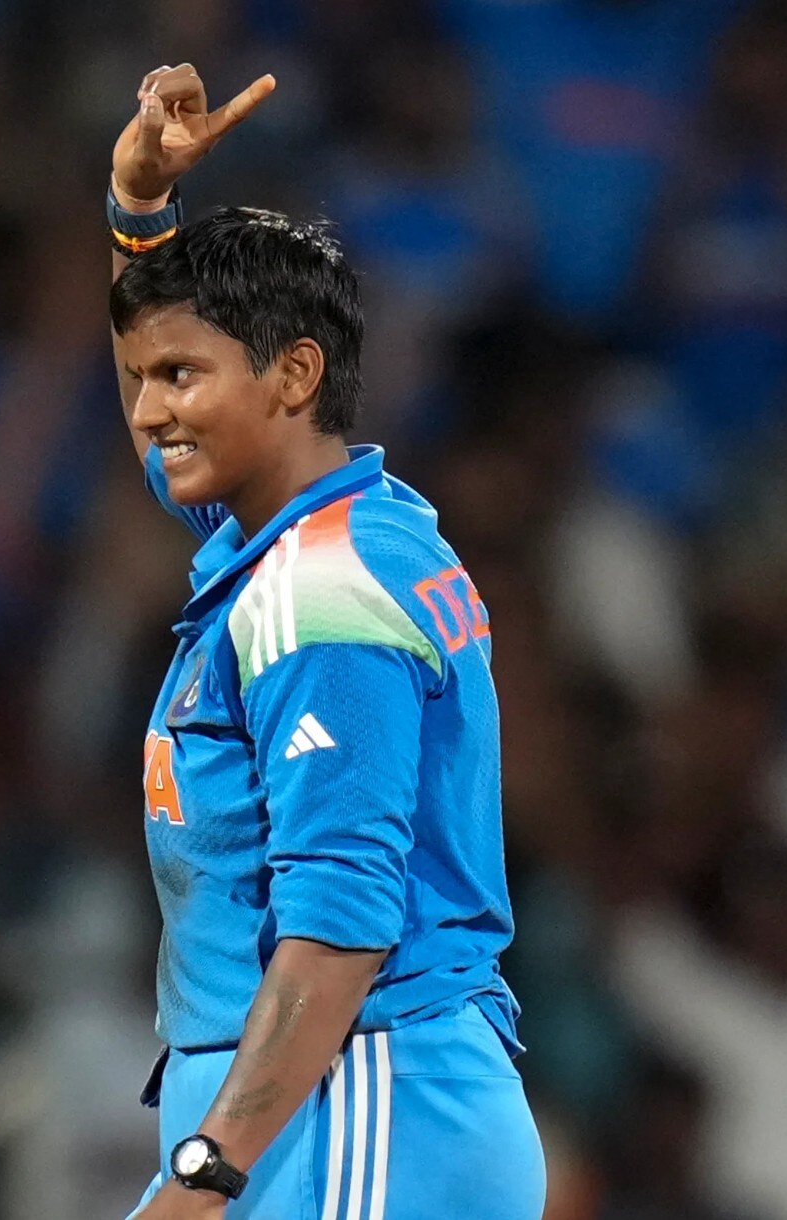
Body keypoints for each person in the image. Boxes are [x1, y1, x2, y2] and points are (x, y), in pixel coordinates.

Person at [102, 63, 544, 1220]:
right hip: (326, 1105)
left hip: (356, 1101)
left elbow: (338, 926)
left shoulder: (321, 591)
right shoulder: (305, 531)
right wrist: (139, 213)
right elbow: (166, 426)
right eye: (142, 377)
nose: (147, 410)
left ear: (293, 373)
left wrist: (204, 1173)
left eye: (180, 376)